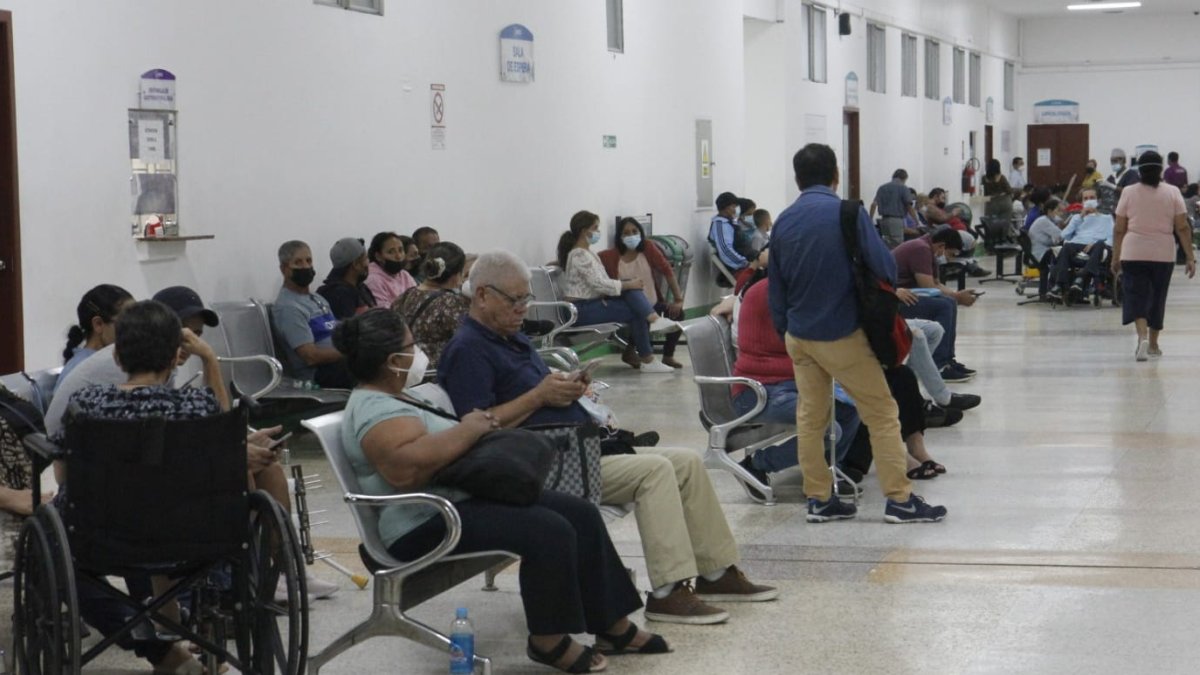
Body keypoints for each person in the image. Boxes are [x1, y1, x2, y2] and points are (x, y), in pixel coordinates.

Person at [440, 251, 778, 625]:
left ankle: (715, 572)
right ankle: (668, 592)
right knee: (654, 473)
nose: (523, 308)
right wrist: (539, 397)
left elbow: (533, 397)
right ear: (483, 295)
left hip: (575, 449)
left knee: (686, 461)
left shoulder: (510, 339)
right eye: (514, 299)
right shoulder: (468, 350)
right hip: (541, 467)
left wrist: (568, 392)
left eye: (526, 298)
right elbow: (474, 428)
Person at [333, 308, 665, 673]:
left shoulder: (398, 396)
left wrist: (470, 430)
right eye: (412, 345)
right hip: (421, 522)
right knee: (547, 530)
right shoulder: (373, 409)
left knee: (579, 513)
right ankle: (547, 641)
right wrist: (470, 429)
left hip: (453, 503)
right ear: (393, 360)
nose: (418, 352)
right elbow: (405, 470)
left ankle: (613, 626)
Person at [767, 142, 946, 524]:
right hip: (841, 333)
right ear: (835, 175)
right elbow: (883, 265)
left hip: (799, 335)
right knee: (881, 412)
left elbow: (775, 286)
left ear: (797, 178)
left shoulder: (783, 220)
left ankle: (818, 498)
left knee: (811, 418)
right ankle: (900, 499)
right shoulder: (847, 213)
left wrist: (788, 329)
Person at [557, 211, 680, 374]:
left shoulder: (587, 254)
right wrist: (627, 284)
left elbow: (599, 282)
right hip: (580, 310)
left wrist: (628, 285)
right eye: (595, 228)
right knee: (635, 304)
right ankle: (649, 352)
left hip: (590, 305)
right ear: (583, 231)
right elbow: (599, 284)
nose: (597, 232)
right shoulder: (579, 255)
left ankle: (651, 344)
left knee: (632, 292)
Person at [1112, 150, 1196, 361]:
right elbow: (1183, 227)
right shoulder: (1173, 192)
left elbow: (1119, 228)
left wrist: (1115, 256)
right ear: (1161, 169)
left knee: (1136, 295)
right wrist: (1189, 256)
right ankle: (1154, 344)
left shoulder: (1128, 192)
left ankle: (1141, 338)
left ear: (1138, 170)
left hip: (1133, 252)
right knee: (1158, 297)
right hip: (1163, 253)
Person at [598, 217, 686, 369]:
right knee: (638, 313)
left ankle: (668, 356)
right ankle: (634, 352)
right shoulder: (609, 256)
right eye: (626, 233)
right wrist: (561, 261)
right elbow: (589, 260)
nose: (631, 235)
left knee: (677, 314)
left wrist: (678, 299)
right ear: (619, 236)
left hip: (652, 302)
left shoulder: (648, 248)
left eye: (634, 231)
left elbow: (667, 271)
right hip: (627, 304)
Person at [892, 229, 978, 382]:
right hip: (894, 299)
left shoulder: (927, 248)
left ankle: (947, 360)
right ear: (941, 246)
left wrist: (956, 295)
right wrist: (957, 296)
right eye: (950, 254)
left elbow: (936, 284)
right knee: (944, 306)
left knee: (949, 302)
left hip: (908, 296)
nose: (946, 258)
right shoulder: (921, 249)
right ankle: (939, 364)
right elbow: (928, 286)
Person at [272, 240, 355, 389]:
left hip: (339, 363)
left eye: (309, 261)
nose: (305, 266)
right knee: (369, 368)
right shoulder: (288, 307)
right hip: (317, 374)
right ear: (284, 269)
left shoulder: (317, 298)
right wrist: (352, 352)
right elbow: (310, 357)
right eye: (298, 262)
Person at [393, 241, 472, 369]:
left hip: (402, 371)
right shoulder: (451, 303)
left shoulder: (405, 296)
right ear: (457, 274)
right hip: (432, 377)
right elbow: (468, 343)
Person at [56, 284, 135, 392]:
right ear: (98, 324)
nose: (136, 330)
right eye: (128, 323)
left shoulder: (115, 362)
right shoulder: (81, 370)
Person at [1050, 190, 1115, 300]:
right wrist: (1080, 217)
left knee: (1100, 244)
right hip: (1077, 245)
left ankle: (1081, 277)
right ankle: (1059, 285)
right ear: (1082, 202)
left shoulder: (1106, 218)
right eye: (1086, 199)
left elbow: (1112, 238)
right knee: (1066, 247)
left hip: (1096, 246)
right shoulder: (1076, 218)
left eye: (1092, 198)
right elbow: (1064, 235)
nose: (1089, 201)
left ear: (1098, 201)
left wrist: (1095, 243)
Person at [316, 237, 376, 320]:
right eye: (365, 258)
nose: (368, 263)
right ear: (356, 264)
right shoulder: (336, 294)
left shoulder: (361, 288)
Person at [708, 191, 765, 277]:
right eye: (733, 206)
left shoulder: (729, 222)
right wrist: (746, 264)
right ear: (726, 208)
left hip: (750, 258)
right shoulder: (720, 225)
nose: (736, 209)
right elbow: (726, 250)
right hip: (740, 266)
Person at [364, 231, 418, 308]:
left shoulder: (404, 274)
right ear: (378, 256)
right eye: (391, 252)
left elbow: (418, 300)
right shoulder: (372, 279)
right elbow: (384, 311)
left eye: (400, 250)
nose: (398, 256)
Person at [869, 169, 919, 249]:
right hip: (896, 221)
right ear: (905, 178)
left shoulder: (882, 188)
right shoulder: (903, 188)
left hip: (883, 221)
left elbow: (873, 204)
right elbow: (909, 207)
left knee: (886, 246)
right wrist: (917, 221)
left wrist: (870, 220)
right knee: (897, 247)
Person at [1028, 197, 1066, 265]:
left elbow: (1058, 220)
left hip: (1042, 251)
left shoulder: (1046, 219)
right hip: (1041, 254)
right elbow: (1061, 235)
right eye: (1058, 210)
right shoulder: (1043, 221)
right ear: (1050, 211)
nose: (1061, 213)